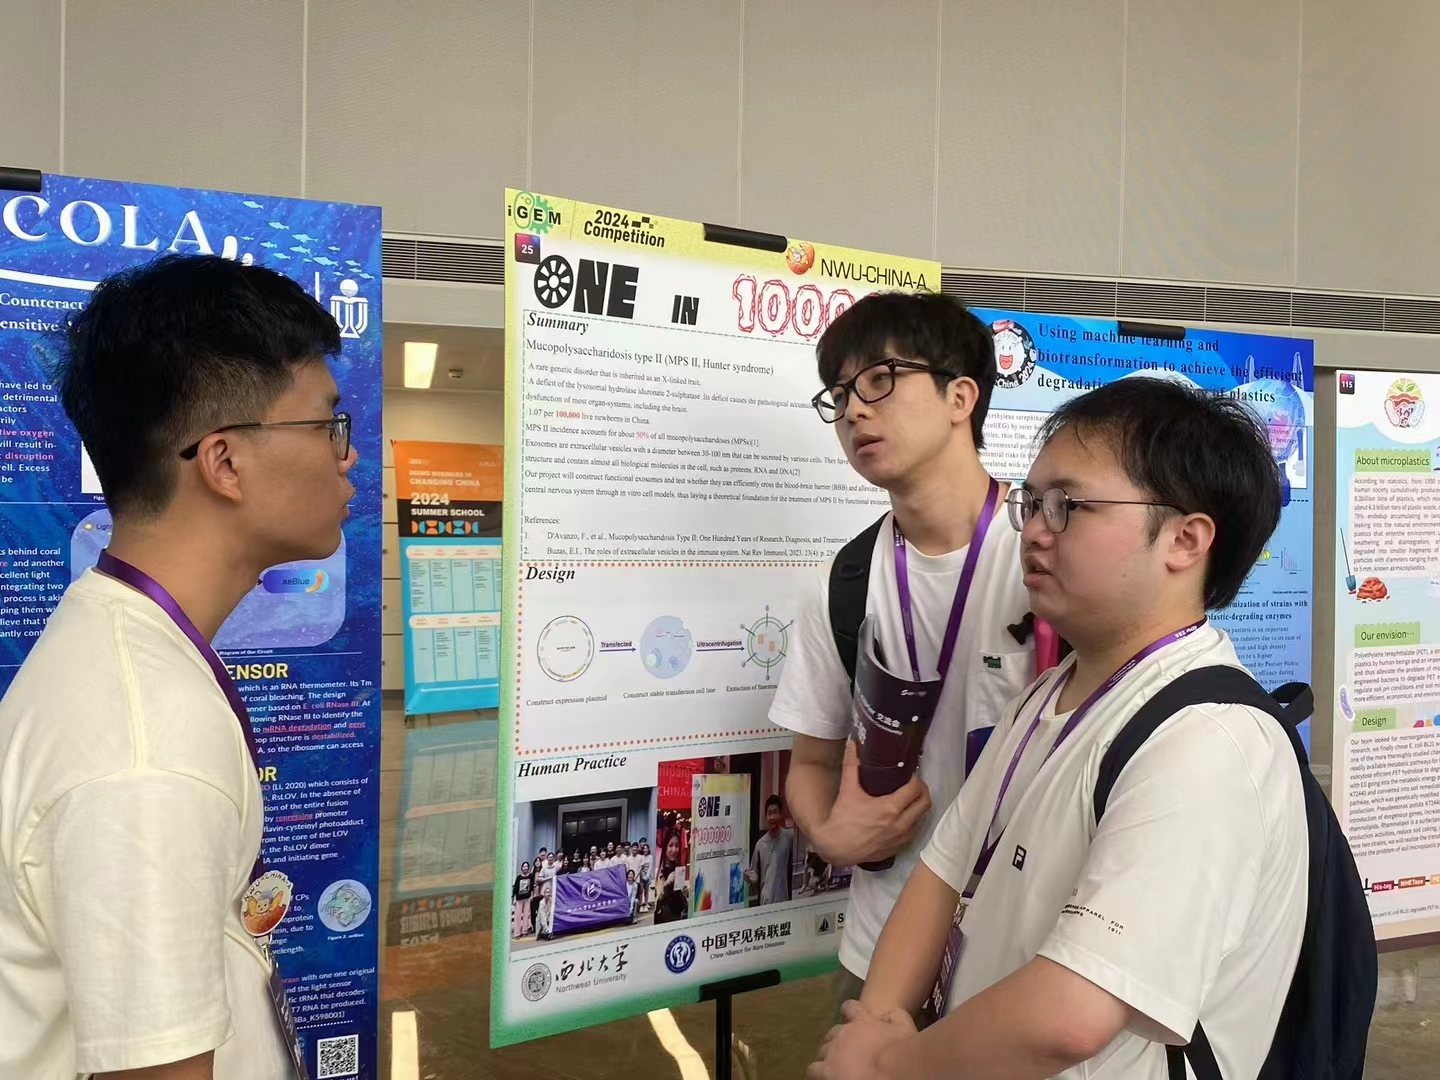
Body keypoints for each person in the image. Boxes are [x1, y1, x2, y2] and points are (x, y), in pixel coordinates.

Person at [809, 378, 1307, 1080]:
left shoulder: (1208, 743)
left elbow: (1070, 1014)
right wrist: (878, 1019)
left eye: (1068, 505)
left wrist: (889, 1063)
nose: (1036, 530)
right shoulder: (1047, 695)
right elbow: (942, 873)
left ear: (1185, 540)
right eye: (1033, 502)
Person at [0, 254, 356, 1079]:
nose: (347, 457)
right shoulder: (145, 745)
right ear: (224, 462)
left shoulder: (120, 642)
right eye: (326, 424)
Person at [771, 292, 1033, 1007]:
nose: (854, 410)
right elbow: (812, 762)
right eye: (840, 394)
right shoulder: (843, 582)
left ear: (961, 397)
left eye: (880, 380)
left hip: (1025, 954)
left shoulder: (1047, 556)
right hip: (880, 947)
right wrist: (830, 834)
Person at [745, 794, 797, 906]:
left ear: (781, 814)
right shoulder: (760, 845)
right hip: (765, 903)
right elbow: (755, 874)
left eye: (775, 812)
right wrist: (751, 879)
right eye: (769, 813)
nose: (772, 817)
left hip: (784, 902)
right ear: (765, 816)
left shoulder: (789, 837)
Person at [652, 828, 690, 924]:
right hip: (664, 920)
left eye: (677, 846)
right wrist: (666, 883)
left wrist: (686, 890)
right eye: (671, 845)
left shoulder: (678, 868)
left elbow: (680, 894)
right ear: (665, 847)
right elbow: (657, 900)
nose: (674, 850)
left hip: (678, 918)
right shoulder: (659, 870)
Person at [512, 861, 534, 938]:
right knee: (517, 916)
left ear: (528, 868)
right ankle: (517, 933)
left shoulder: (531, 876)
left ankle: (525, 931)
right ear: (522, 868)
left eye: (526, 866)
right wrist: (514, 899)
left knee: (526, 915)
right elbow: (515, 889)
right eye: (524, 866)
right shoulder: (518, 877)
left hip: (527, 898)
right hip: (519, 899)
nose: (525, 868)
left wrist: (531, 896)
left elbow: (532, 887)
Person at [637, 840, 653, 912]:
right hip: (641, 876)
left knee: (646, 890)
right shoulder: (641, 857)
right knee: (641, 891)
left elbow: (650, 867)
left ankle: (646, 903)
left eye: (647, 848)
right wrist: (643, 876)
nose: (645, 850)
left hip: (648, 876)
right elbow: (640, 867)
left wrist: (647, 876)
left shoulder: (650, 857)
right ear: (643, 850)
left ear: (648, 849)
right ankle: (641, 904)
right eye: (644, 848)